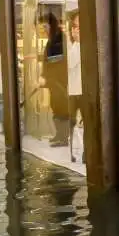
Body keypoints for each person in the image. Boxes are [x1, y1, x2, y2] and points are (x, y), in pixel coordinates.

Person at [40, 12, 68, 146]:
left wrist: (47, 74)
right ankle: (59, 135)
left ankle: (63, 138)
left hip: (59, 82)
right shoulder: (53, 39)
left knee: (61, 109)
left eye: (45, 26)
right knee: (56, 108)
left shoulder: (60, 38)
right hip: (53, 81)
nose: (44, 30)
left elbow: (60, 60)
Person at [67, 11, 84, 162]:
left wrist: (79, 42)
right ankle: (72, 153)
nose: (75, 30)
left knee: (87, 125)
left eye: (79, 27)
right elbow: (70, 64)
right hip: (73, 91)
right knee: (71, 124)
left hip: (84, 91)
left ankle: (86, 153)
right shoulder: (72, 47)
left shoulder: (83, 46)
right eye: (74, 27)